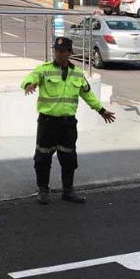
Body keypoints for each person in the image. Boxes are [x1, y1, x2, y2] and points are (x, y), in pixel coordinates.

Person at [20, 37, 116, 205]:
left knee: (69, 158)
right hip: (47, 123)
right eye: (56, 50)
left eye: (62, 51)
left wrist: (101, 111)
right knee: (42, 158)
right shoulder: (45, 69)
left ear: (70, 52)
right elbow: (32, 76)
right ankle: (43, 190)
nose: (58, 53)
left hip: (67, 124)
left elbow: (87, 95)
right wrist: (29, 84)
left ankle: (68, 190)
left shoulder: (77, 74)